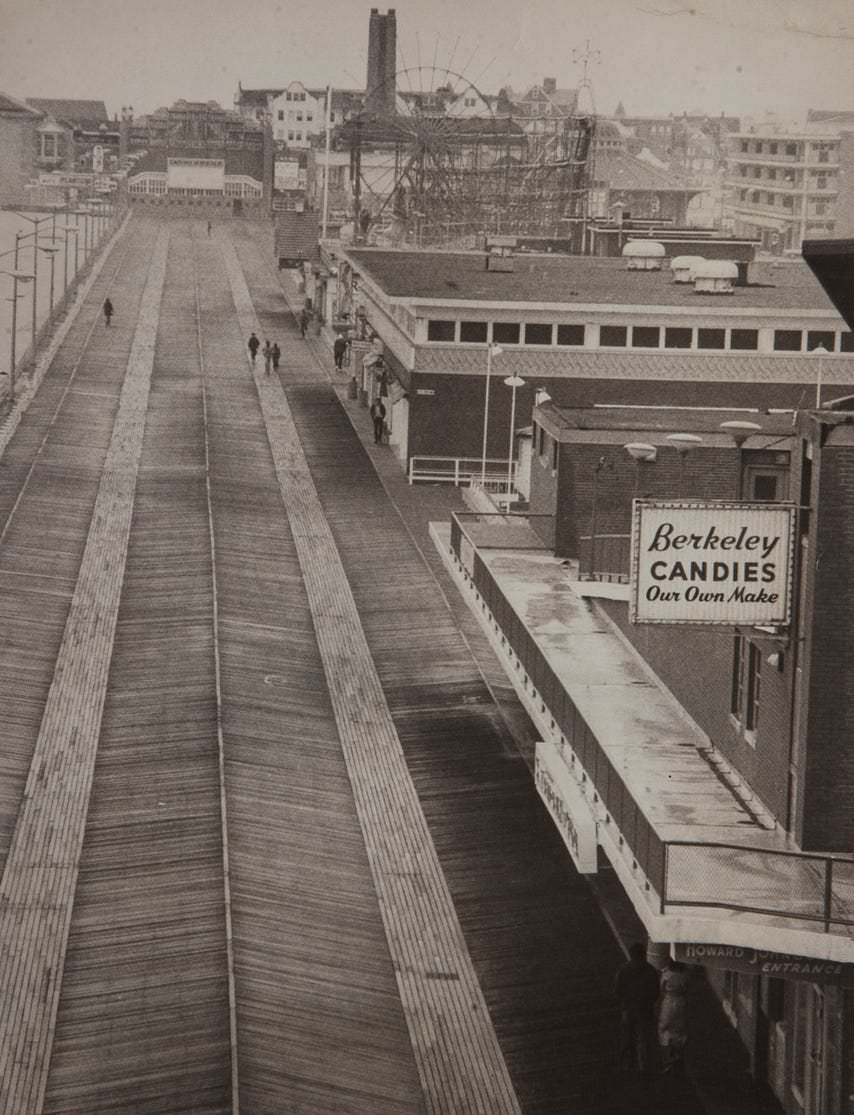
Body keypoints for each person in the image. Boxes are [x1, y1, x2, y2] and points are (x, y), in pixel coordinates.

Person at [614, 942, 660, 1075]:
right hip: (645, 1010)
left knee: (627, 1037)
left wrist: (625, 1002)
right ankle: (643, 1066)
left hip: (628, 1009)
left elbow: (617, 990)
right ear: (644, 955)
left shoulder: (623, 970)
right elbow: (656, 992)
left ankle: (627, 1065)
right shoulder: (651, 970)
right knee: (643, 1038)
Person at [658, 958, 691, 1074]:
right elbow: (687, 989)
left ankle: (668, 1058)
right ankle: (678, 1056)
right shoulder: (686, 975)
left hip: (668, 1002)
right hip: (681, 1003)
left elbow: (661, 989)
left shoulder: (666, 974)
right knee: (680, 1029)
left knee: (664, 1028)